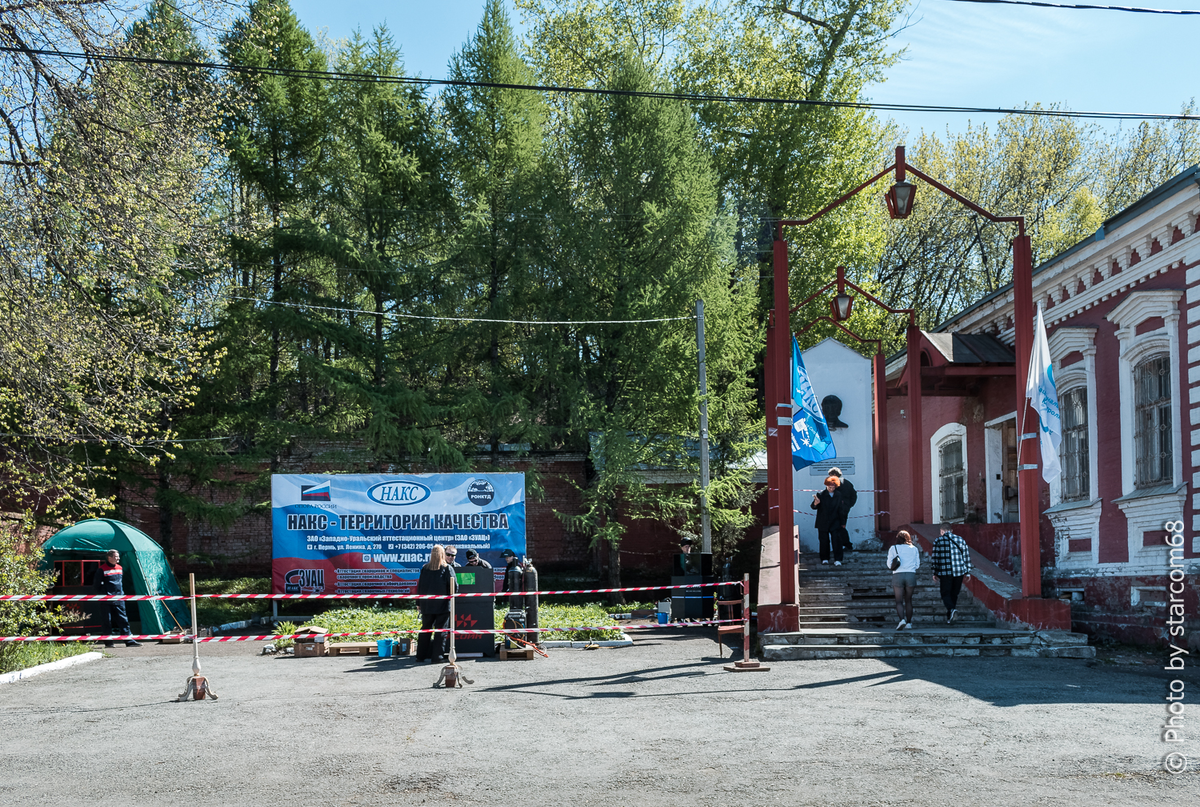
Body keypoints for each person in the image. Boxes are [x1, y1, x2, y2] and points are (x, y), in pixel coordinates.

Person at [92, 549, 141, 647]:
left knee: (123, 621)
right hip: (106, 600)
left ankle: (129, 641)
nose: (118, 558)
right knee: (107, 621)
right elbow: (96, 586)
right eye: (116, 556)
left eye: (118, 556)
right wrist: (104, 594)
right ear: (109, 557)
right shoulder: (102, 569)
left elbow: (120, 584)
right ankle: (108, 643)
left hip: (119, 599)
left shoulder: (120, 568)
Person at [416, 545, 455, 662]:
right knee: (440, 632)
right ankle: (437, 656)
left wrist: (419, 603)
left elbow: (420, 587)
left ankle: (420, 656)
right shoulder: (447, 568)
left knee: (425, 630)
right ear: (443, 555)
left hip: (427, 605)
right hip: (443, 605)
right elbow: (454, 587)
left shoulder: (425, 569)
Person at [931, 522, 973, 624]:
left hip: (945, 571)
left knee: (945, 593)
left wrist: (934, 572)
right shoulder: (960, 540)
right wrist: (967, 572)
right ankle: (950, 617)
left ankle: (951, 609)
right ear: (951, 530)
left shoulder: (938, 541)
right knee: (954, 594)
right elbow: (966, 556)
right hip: (959, 571)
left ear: (941, 531)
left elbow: (935, 558)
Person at [886, 530, 920, 630]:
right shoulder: (914, 549)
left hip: (898, 575)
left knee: (899, 601)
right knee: (908, 600)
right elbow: (917, 565)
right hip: (911, 575)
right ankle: (909, 623)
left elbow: (889, 565)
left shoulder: (893, 548)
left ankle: (902, 620)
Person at [810, 475, 844, 566]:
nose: (831, 487)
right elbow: (813, 506)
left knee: (836, 541)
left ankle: (838, 559)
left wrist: (843, 522)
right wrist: (815, 503)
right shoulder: (820, 495)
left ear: (836, 485)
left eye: (833, 485)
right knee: (824, 541)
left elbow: (841, 510)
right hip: (823, 522)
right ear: (826, 485)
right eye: (829, 485)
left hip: (835, 521)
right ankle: (824, 558)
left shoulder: (839, 495)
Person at [829, 467, 857, 553]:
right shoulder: (848, 483)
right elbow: (854, 496)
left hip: (839, 509)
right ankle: (844, 545)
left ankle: (846, 545)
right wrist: (848, 505)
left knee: (839, 527)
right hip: (844, 509)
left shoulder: (836, 484)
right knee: (840, 526)